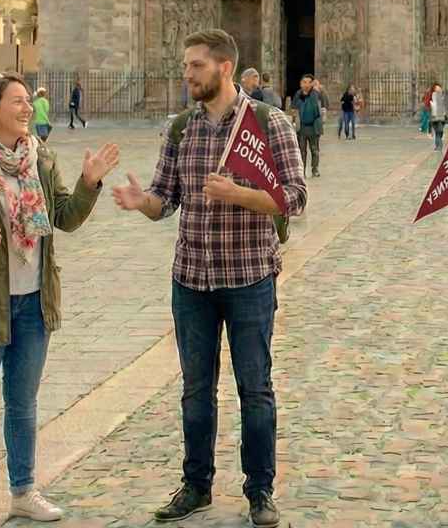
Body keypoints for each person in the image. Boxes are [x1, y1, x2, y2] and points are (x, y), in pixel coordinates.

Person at [113, 29, 306, 528]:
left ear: (223, 68)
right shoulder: (181, 128)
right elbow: (164, 198)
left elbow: (295, 198)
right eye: (185, 66)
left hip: (248, 279)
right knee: (195, 389)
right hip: (192, 279)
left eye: (195, 66)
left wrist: (239, 194)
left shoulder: (269, 124)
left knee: (255, 389)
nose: (186, 74)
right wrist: (143, 205)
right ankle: (196, 485)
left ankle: (259, 489)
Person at [0, 74, 119, 528]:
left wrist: (88, 184)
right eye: (16, 101)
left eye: (26, 101)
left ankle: (22, 490)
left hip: (33, 301)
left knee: (23, 404)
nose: (26, 107)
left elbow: (64, 219)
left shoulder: (40, 158)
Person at [289, 74, 324, 178]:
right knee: (301, 151)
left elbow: (320, 107)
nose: (306, 84)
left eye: (309, 82)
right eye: (304, 82)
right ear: (300, 83)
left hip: (314, 127)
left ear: (312, 84)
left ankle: (315, 169)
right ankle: (302, 171)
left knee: (315, 150)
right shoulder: (298, 94)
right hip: (302, 128)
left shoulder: (316, 94)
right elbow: (293, 109)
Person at [428, 82, 448, 151]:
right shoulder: (433, 96)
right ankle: (439, 146)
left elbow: (445, 106)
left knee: (439, 132)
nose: (438, 89)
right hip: (435, 118)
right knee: (439, 131)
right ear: (434, 89)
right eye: (436, 88)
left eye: (439, 87)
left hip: (442, 117)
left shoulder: (442, 96)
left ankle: (438, 146)